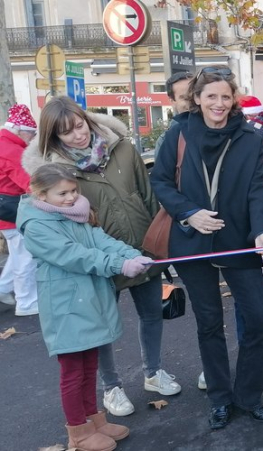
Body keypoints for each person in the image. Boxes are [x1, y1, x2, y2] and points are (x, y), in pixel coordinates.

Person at [23, 96, 181, 418]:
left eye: (80, 125)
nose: (78, 135)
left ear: (87, 119)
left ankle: (153, 371)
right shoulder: (55, 172)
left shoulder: (121, 147)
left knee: (151, 313)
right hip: (97, 259)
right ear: (54, 136)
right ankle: (112, 386)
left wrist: (159, 245)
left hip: (139, 246)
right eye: (67, 132)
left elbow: (147, 195)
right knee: (102, 326)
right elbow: (67, 231)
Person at [149, 65, 263, 430]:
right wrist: (189, 214)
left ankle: (248, 396)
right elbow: (160, 180)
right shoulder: (179, 134)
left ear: (233, 99)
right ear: (197, 99)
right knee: (209, 323)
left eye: (225, 96)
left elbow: (257, 189)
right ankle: (220, 398)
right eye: (211, 96)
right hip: (192, 242)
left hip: (238, 241)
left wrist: (261, 231)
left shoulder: (251, 137)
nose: (218, 103)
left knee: (259, 320)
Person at [18, 164, 150, 451]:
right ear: (40, 194)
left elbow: (101, 240)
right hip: (65, 305)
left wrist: (132, 254)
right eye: (62, 193)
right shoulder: (38, 226)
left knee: (90, 364)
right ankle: (78, 431)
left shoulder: (73, 214)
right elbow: (73, 255)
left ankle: (95, 420)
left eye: (74, 190)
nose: (71, 197)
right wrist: (119, 265)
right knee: (73, 371)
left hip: (87, 300)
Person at [0, 104, 38, 316]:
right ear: (19, 130)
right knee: (26, 255)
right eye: (31, 133)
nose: (32, 138)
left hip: (5, 210)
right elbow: (29, 183)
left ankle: (3, 288)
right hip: (14, 211)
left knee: (18, 253)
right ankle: (26, 302)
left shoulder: (4, 144)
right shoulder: (12, 151)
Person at [154, 71, 193, 159]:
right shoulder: (166, 140)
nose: (192, 102)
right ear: (172, 101)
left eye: (195, 95)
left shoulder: (219, 129)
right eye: (185, 98)